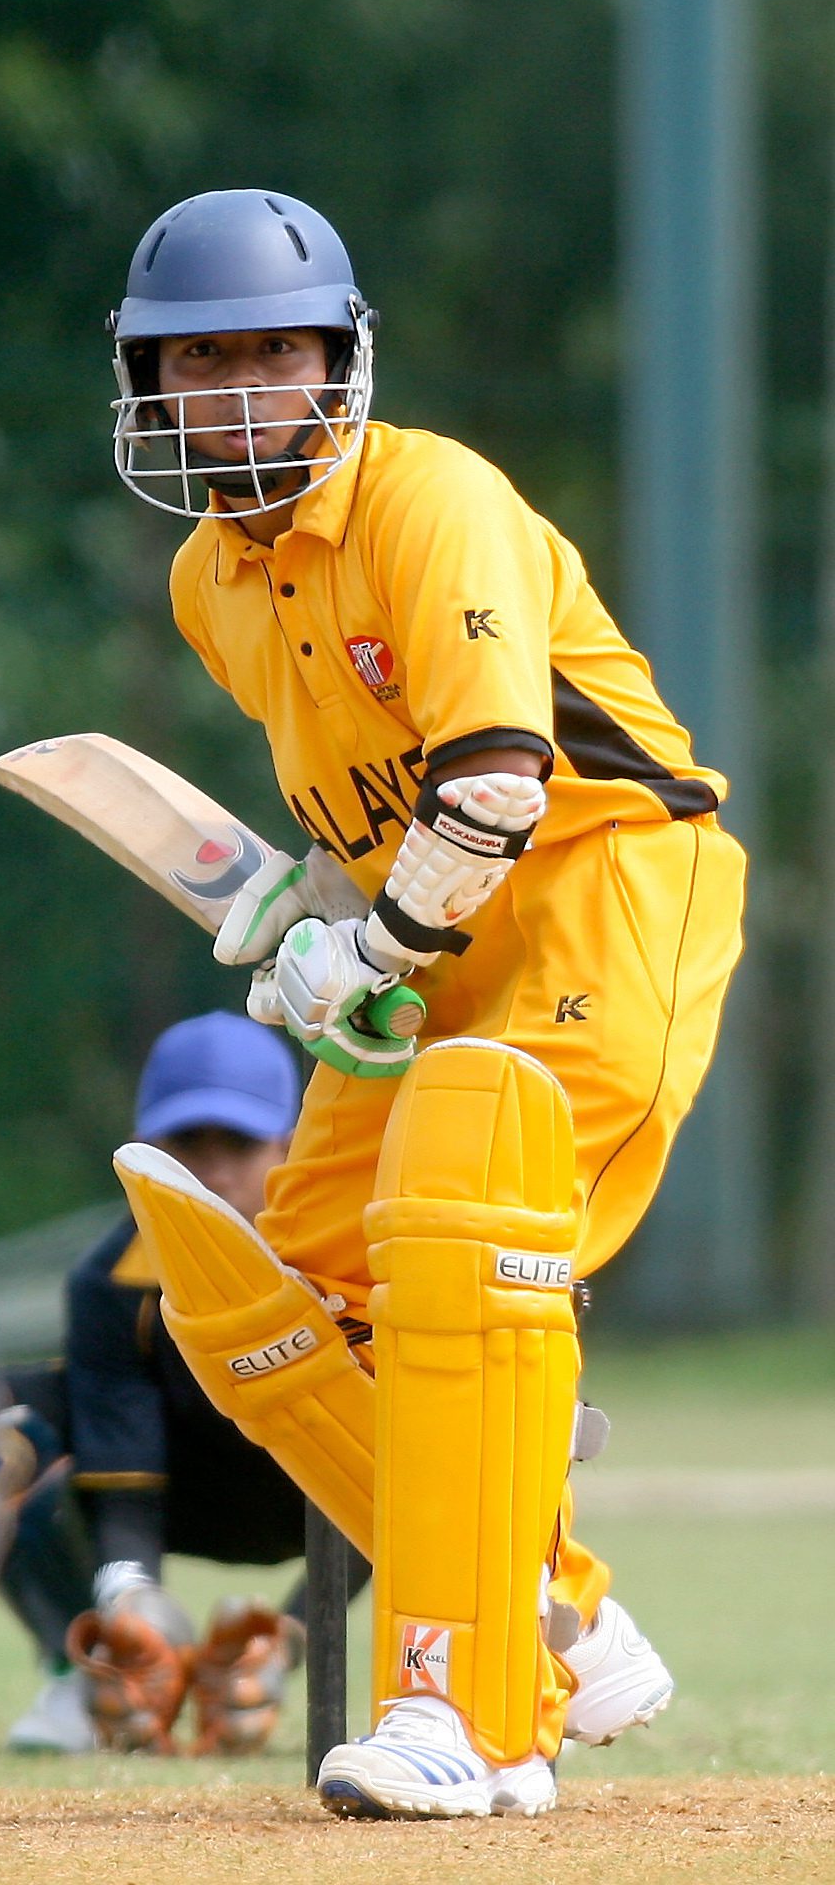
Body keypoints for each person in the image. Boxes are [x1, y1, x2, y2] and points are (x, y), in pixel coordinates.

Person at [99, 189, 744, 1818]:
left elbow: (497, 780)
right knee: (265, 1292)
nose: (235, 388)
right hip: (430, 930)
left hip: (606, 885)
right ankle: (559, 1611)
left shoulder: (430, 499)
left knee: (466, 1235)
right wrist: (318, 918)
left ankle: (467, 1714)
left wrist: (369, 946)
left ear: (338, 363)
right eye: (197, 359)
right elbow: (360, 821)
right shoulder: (208, 585)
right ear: (144, 384)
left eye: (271, 351)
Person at [0, 1011, 366, 1758]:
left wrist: (282, 1645)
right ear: (144, 1153)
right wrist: (133, 1608)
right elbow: (122, 1475)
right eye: (186, 1145)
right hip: (178, 1496)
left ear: (287, 1148)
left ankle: (464, 1686)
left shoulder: (349, 1257)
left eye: (238, 1143)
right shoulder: (109, 1282)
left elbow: (385, 1461)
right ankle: (91, 1673)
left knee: (445, 1428)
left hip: (335, 1495)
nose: (212, 1170)